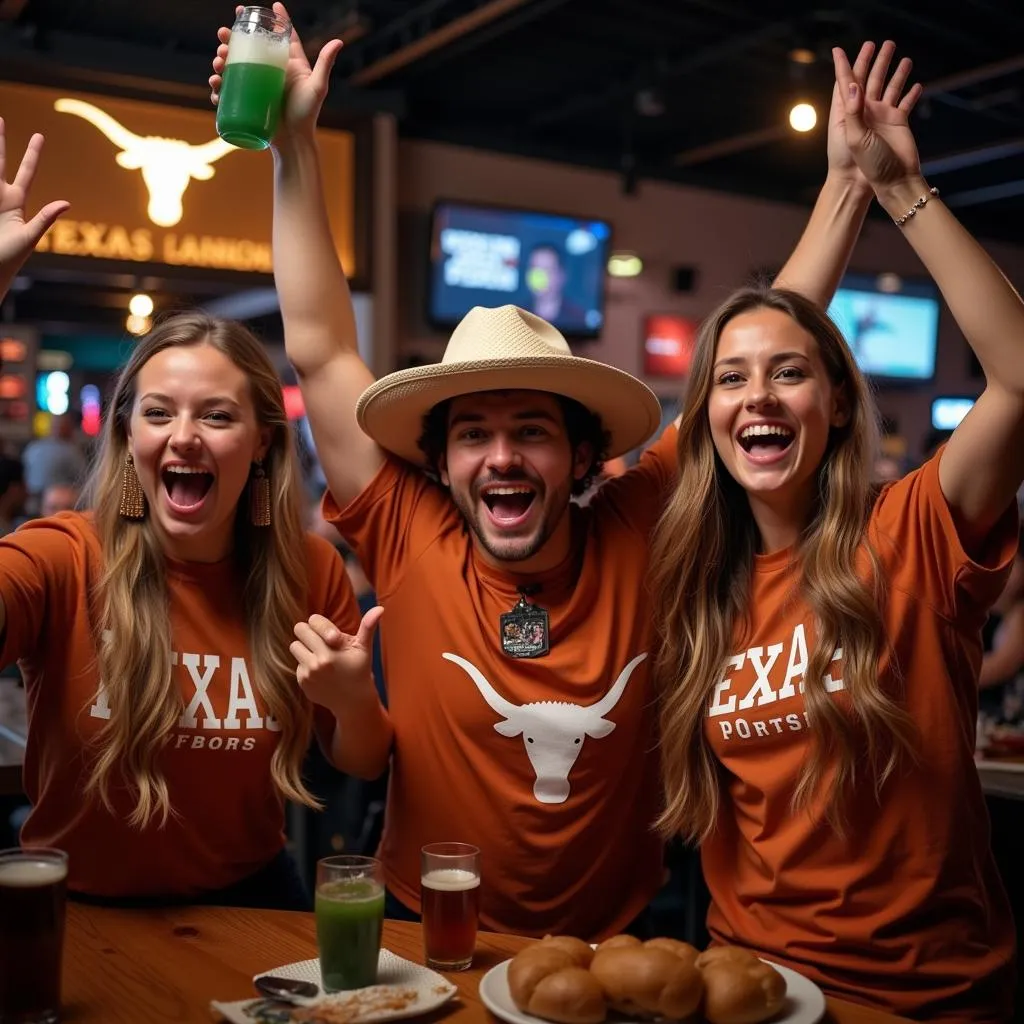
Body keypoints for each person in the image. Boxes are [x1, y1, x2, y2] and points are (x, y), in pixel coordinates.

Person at [211, 15, 904, 937]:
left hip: (610, 952)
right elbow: (323, 348)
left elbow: (768, 343)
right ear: (443, 461)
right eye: (474, 436)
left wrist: (848, 186)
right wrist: (294, 145)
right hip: (429, 935)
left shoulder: (641, 516)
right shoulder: (411, 528)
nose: (501, 457)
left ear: (583, 455)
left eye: (531, 431)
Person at [650, 43, 1019, 1022]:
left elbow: (1020, 380)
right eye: (729, 378)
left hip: (924, 997)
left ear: (839, 407)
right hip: (747, 987)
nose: (758, 394)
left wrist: (897, 192)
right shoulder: (698, 590)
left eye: (789, 373)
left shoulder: (914, 532)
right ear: (705, 420)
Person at [0, 122, 390, 908]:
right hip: (70, 908)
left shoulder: (307, 570)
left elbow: (361, 759)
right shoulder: (60, 557)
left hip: (252, 902)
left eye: (216, 416)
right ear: (127, 435)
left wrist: (353, 702)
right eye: (158, 413)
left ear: (261, 445)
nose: (183, 436)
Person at [22, 412, 87, 503]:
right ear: (68, 428)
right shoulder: (70, 451)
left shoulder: (33, 447)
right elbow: (84, 479)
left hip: (31, 501)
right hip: (59, 504)